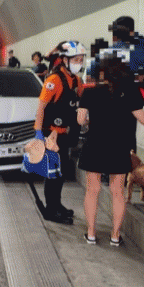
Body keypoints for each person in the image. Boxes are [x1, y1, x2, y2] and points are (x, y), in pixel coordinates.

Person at [77, 53, 144, 245]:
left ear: (102, 72)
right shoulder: (130, 92)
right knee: (118, 192)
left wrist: (89, 121)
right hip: (119, 146)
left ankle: (91, 233)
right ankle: (115, 236)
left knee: (92, 190)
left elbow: (80, 120)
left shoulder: (90, 92)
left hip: (94, 144)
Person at [86, 16, 144, 153]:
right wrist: (140, 77)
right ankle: (128, 161)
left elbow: (90, 77)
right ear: (131, 32)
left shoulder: (105, 53)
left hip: (106, 102)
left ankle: (105, 162)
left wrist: (100, 88)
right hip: (129, 100)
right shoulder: (137, 51)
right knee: (128, 134)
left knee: (105, 134)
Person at [33, 41, 86, 224]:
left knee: (62, 172)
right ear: (64, 60)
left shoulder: (76, 80)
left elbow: (82, 100)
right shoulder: (53, 80)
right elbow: (41, 108)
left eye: (81, 60)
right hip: (50, 133)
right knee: (54, 173)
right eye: (76, 59)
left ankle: (57, 204)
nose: (79, 63)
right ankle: (51, 209)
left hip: (63, 133)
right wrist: (38, 134)